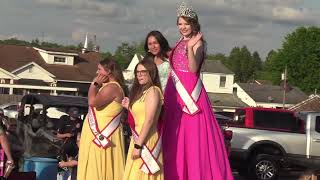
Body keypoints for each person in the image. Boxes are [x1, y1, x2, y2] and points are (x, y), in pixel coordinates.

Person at [162, 2, 233, 180]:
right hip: (174, 90)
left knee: (192, 135)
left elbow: (193, 70)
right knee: (174, 134)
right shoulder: (180, 41)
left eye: (186, 23)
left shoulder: (198, 43)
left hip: (190, 92)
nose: (183, 27)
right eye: (180, 24)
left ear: (194, 24)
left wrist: (189, 49)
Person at [77, 57, 126, 180]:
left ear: (109, 71)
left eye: (99, 69)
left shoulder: (112, 87)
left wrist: (94, 85)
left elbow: (92, 102)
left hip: (103, 134)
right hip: (96, 133)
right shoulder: (107, 86)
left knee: (99, 168)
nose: (97, 73)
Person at [121, 57, 164, 180]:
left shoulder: (153, 91)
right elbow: (140, 118)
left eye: (143, 72)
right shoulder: (143, 92)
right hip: (138, 139)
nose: (139, 75)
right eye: (137, 72)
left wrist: (138, 146)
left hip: (146, 141)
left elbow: (149, 120)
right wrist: (129, 107)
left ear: (151, 73)